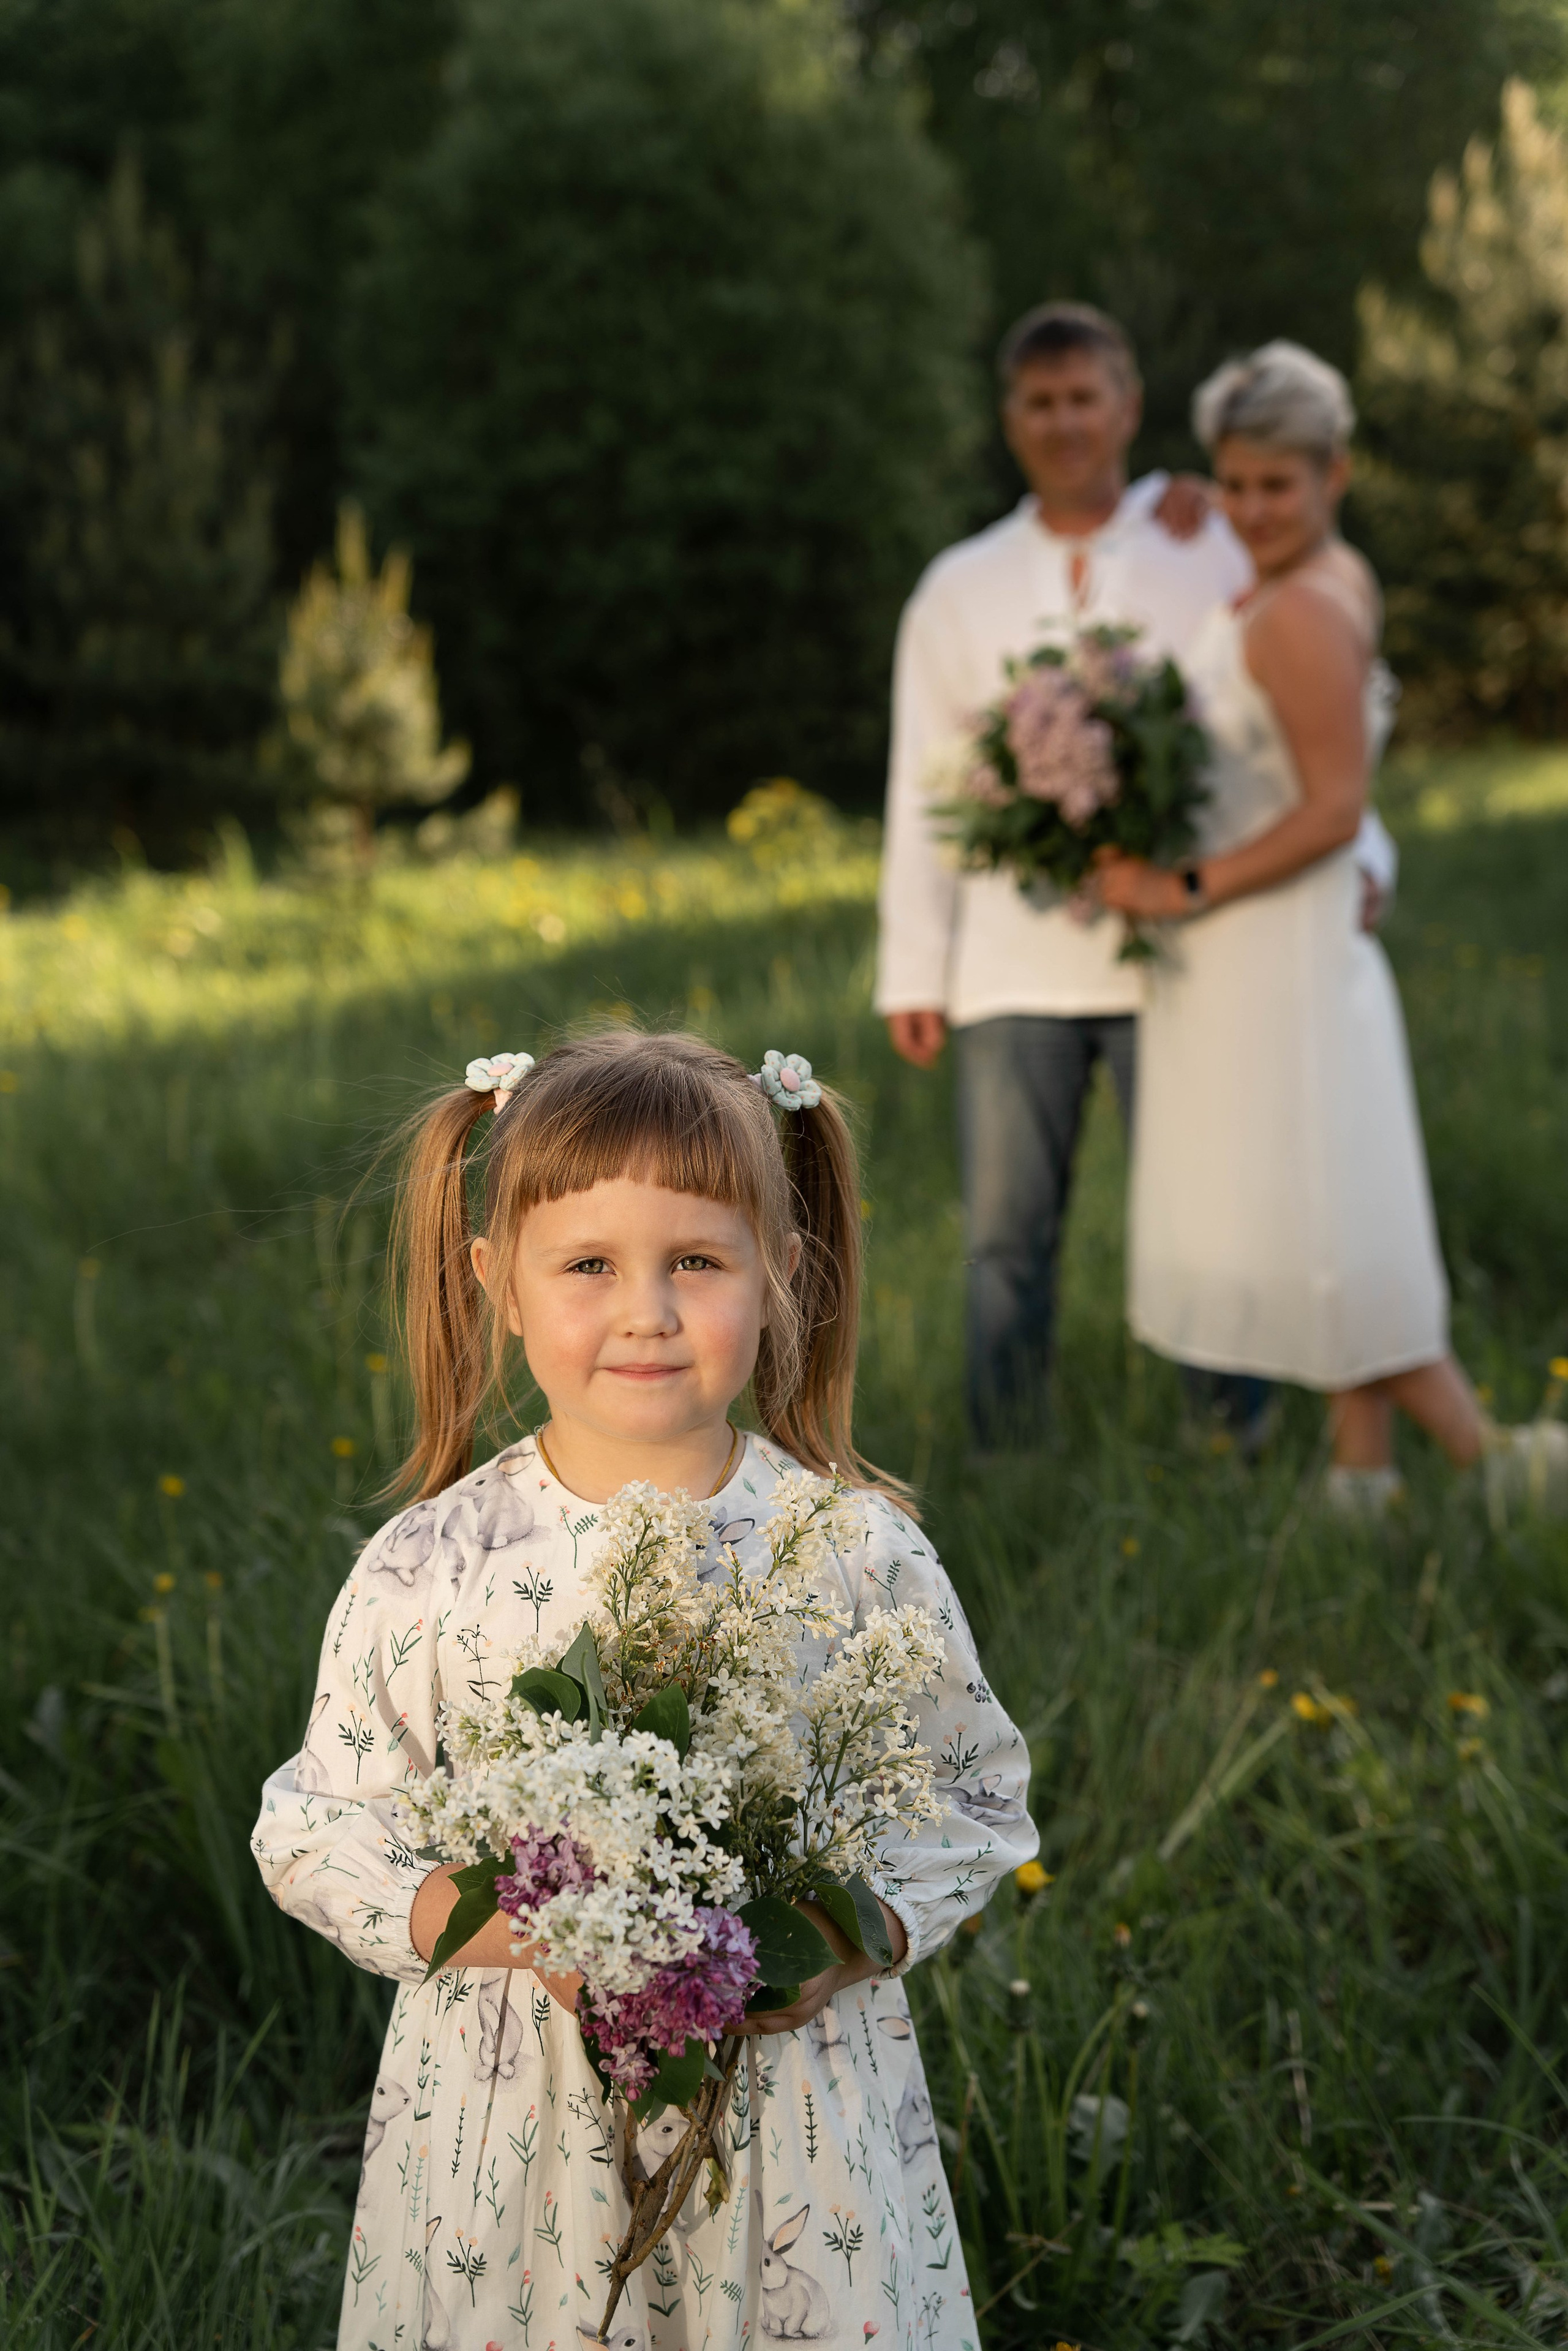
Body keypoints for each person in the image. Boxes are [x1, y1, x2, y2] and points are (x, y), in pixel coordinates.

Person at [252, 1030, 1037, 2350]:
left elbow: (974, 1793)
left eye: (697, 1262)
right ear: (497, 1282)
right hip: (515, 2117)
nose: (646, 1311)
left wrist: (837, 1940)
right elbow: (317, 1829)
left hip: (791, 2118)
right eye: (588, 1266)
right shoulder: (434, 1562)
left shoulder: (855, 1552)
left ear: (781, 1273)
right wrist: (530, 1930)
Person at [875, 301, 1396, 1454]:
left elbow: (1303, 730)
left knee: (1212, 1209)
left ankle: (1232, 1437)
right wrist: (915, 965)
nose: (1065, 423)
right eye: (1041, 402)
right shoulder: (959, 584)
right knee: (1006, 1234)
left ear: (1128, 406)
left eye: (1085, 398)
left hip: (1185, 949)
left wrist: (1367, 853)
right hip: (1011, 964)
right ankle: (1008, 1452)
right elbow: (924, 778)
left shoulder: (1209, 542)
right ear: (1010, 418)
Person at [1096, 341, 1556, 1516]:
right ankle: (1365, 1479)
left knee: (1316, 1231)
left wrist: (1178, 885)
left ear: (1334, 474)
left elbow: (1336, 809)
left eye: (1277, 486)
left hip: (1274, 961)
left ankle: (1500, 1467)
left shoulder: (1299, 609)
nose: (1251, 509)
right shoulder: (1325, 575)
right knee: (1331, 1210)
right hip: (1280, 954)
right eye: (1233, 483)